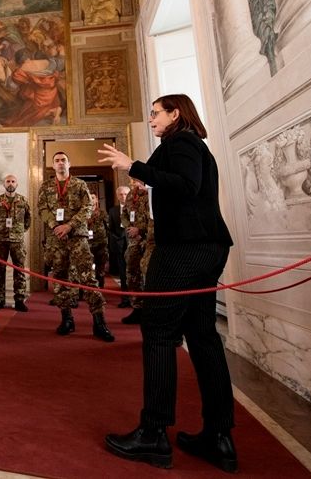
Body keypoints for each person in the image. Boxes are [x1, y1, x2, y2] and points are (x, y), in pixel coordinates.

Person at [98, 94, 236, 472]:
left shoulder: (183, 142)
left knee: (158, 332)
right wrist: (138, 169)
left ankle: (153, 434)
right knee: (203, 335)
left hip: (183, 251)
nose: (152, 118)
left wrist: (133, 164)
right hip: (207, 247)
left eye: (156, 112)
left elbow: (185, 184)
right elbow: (167, 177)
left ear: (176, 113)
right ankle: (219, 437)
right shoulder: (183, 145)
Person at [37, 152, 114, 342]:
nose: (60, 163)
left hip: (77, 236)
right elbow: (42, 209)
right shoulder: (46, 186)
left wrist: (69, 225)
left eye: (63, 160)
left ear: (69, 164)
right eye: (57, 161)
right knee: (61, 278)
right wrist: (56, 226)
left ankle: (99, 322)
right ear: (53, 166)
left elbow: (87, 207)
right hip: (56, 238)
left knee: (88, 277)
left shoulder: (80, 185)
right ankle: (67, 319)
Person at [0, 174, 30, 312]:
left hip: (17, 240)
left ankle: (19, 299)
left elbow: (28, 220)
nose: (10, 183)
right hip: (0, 239)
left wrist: (19, 231)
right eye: (8, 181)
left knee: (19, 270)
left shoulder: (23, 201)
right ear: (4, 184)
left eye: (13, 181)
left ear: (17, 184)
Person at [121, 178, 153, 325]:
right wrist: (129, 228)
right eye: (131, 180)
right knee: (132, 272)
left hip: (150, 239)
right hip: (134, 240)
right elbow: (124, 214)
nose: (133, 182)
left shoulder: (150, 193)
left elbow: (155, 217)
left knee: (150, 273)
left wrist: (140, 230)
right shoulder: (130, 195)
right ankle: (138, 308)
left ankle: (153, 311)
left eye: (136, 179)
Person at [108, 186, 131, 308]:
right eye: (121, 194)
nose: (123, 196)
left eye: (126, 194)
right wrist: (117, 241)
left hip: (133, 244)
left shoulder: (135, 208)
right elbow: (110, 229)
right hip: (120, 246)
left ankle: (138, 299)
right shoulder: (113, 211)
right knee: (123, 273)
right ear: (117, 196)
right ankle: (125, 299)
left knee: (136, 272)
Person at [87, 192, 109, 289]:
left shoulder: (102, 213)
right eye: (89, 197)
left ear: (96, 200)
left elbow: (108, 227)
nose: (91, 200)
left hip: (101, 244)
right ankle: (88, 288)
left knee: (100, 268)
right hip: (87, 244)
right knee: (87, 267)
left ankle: (100, 287)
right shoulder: (84, 213)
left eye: (93, 198)